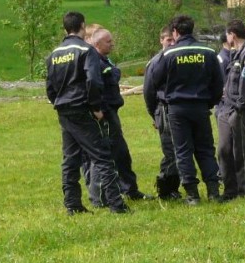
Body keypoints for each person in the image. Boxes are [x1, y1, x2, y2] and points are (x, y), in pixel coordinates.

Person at [46, 11, 128, 215]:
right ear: (82, 26)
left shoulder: (54, 54)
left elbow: (50, 86)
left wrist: (58, 102)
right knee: (102, 156)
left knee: (70, 159)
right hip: (83, 108)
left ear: (65, 28)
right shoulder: (86, 50)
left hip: (64, 110)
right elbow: (93, 80)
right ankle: (116, 204)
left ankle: (72, 204)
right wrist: (95, 107)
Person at [142, 14, 225, 204]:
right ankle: (213, 191)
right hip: (201, 107)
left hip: (177, 109)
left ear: (175, 32)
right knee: (206, 149)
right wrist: (209, 102)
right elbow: (218, 83)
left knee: (183, 151)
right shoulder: (208, 51)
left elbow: (155, 81)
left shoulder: (168, 55)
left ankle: (192, 195)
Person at [89, 28, 150, 201]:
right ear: (97, 43)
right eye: (108, 41)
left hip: (112, 112)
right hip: (105, 113)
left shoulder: (104, 60)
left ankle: (129, 189)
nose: (112, 44)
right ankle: (100, 197)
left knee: (122, 153)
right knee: (105, 155)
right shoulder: (95, 62)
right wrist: (99, 110)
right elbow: (97, 85)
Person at [216, 20, 245, 200]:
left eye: (227, 34)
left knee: (241, 151)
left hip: (241, 110)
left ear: (232, 35)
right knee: (224, 150)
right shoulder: (235, 54)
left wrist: (240, 108)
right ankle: (230, 190)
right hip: (226, 108)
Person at [143, 25, 181, 200]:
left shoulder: (179, 58)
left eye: (174, 40)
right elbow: (148, 92)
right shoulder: (155, 62)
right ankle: (166, 188)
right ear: (161, 40)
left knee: (180, 150)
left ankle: (175, 186)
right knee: (170, 150)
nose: (172, 43)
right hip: (163, 110)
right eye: (168, 40)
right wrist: (155, 115)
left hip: (179, 109)